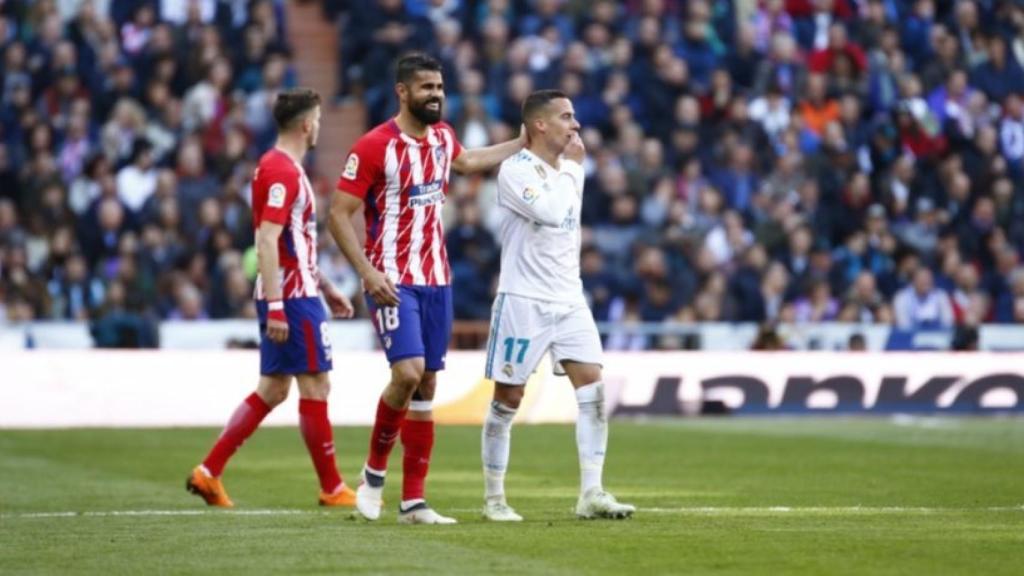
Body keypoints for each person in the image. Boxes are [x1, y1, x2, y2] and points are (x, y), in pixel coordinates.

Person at [329, 53, 526, 524]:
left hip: (438, 278)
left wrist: (522, 142)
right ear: (403, 92)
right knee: (407, 371)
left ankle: (413, 501)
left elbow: (469, 160)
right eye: (427, 88)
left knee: (427, 384)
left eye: (440, 87)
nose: (436, 94)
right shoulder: (374, 146)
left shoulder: (442, 137)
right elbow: (338, 213)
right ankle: (373, 475)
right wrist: (367, 273)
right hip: (393, 280)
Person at [186, 88, 357, 508]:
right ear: (305, 124)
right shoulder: (281, 171)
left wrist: (327, 285)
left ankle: (209, 472)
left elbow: (289, 243)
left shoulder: (275, 166)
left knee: (274, 388)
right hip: (291, 296)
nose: (318, 127)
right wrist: (280, 305)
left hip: (294, 289)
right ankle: (332, 487)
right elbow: (266, 240)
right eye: (316, 119)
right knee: (315, 383)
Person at [479, 89, 636, 522]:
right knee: (507, 400)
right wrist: (573, 170)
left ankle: (592, 492)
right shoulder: (514, 171)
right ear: (540, 125)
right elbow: (549, 211)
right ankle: (494, 498)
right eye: (567, 117)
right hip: (522, 300)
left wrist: (571, 170)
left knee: (594, 391)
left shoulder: (571, 170)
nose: (576, 125)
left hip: (569, 297)